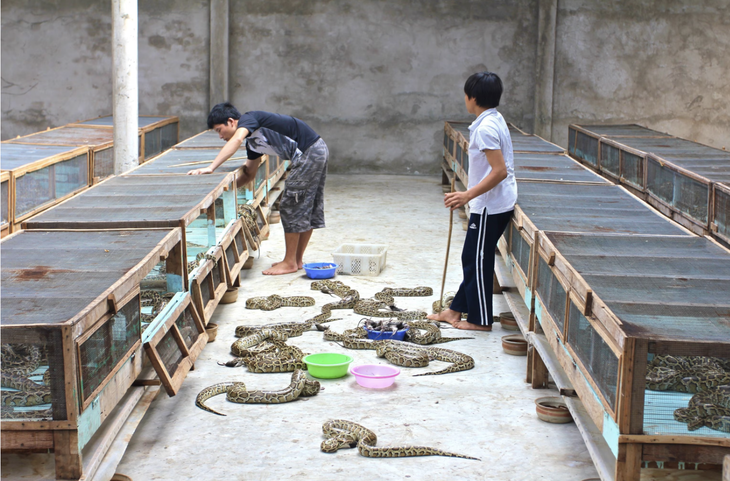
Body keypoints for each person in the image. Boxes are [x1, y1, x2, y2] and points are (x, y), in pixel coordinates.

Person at [188, 102, 328, 275]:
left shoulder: (250, 118)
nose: (220, 136)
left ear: (231, 121)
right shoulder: (253, 144)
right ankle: (296, 260)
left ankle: (290, 262)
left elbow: (237, 138)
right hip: (315, 151)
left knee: (291, 206)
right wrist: (223, 190)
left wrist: (211, 167)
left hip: (309, 152)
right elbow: (249, 175)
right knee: (304, 206)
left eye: (219, 130)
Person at [427, 72, 517, 331]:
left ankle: (480, 320)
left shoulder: (486, 128)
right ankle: (455, 311)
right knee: (473, 256)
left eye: (466, 95)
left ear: (473, 98)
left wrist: (467, 195)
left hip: (491, 205)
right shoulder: (493, 119)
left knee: (477, 258)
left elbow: (499, 171)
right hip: (491, 203)